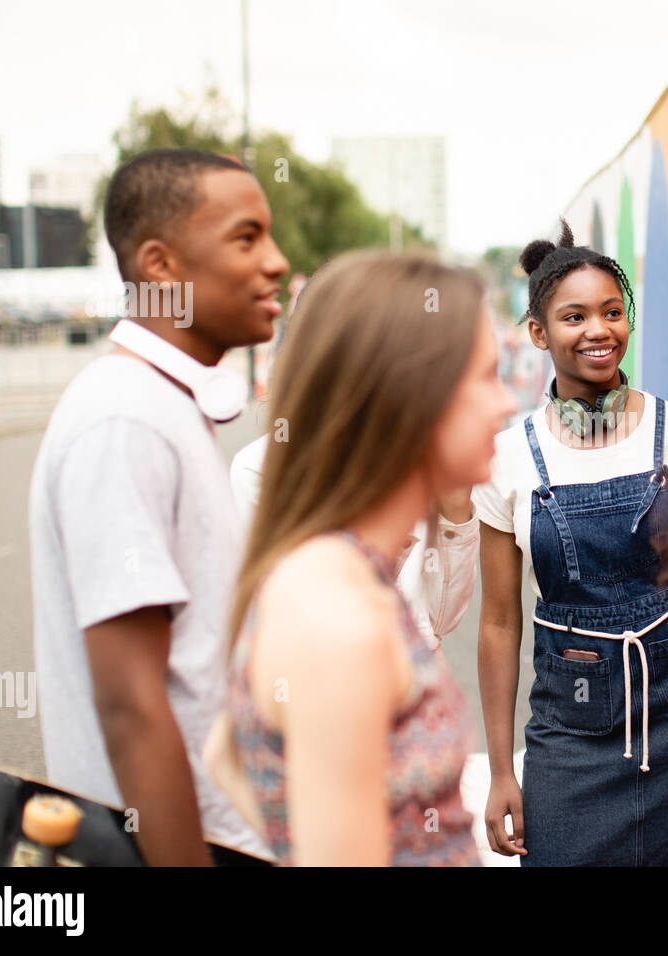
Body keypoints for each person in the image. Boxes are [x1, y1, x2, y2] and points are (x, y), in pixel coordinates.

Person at [208, 250, 516, 865]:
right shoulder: (336, 618)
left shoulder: (338, 572)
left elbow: (227, 755)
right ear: (406, 391)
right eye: (485, 377)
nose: (507, 403)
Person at [474, 221, 668, 866]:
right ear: (538, 335)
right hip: (571, 730)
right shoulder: (507, 457)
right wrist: (501, 771)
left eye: (612, 311)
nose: (598, 330)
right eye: (574, 317)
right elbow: (497, 623)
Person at [28, 148, 288, 864]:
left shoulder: (162, 406)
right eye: (246, 237)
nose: (277, 262)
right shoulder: (125, 418)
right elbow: (132, 709)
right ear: (161, 267)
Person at [229, 290, 480, 652]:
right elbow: (281, 617)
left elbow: (439, 620)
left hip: (416, 686)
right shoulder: (259, 469)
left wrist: (456, 508)